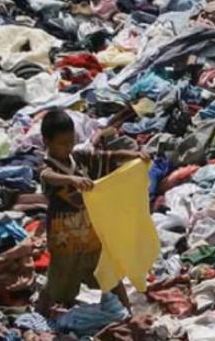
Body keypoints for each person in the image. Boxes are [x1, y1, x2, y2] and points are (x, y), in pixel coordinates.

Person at [36, 109, 149, 316]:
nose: (67, 147)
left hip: (90, 234)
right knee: (57, 283)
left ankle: (129, 313)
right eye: (62, 143)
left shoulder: (78, 158)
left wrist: (134, 156)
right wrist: (72, 180)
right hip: (64, 240)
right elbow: (47, 176)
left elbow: (107, 157)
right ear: (47, 142)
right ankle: (37, 317)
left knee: (109, 275)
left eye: (71, 141)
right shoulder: (46, 166)